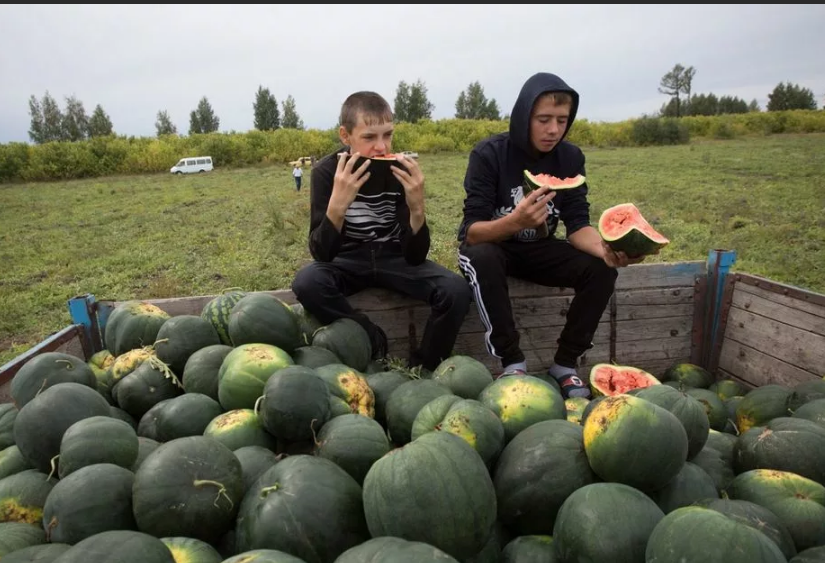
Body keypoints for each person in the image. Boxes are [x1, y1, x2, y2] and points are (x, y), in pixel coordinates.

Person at [456, 72, 650, 399]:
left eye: (562, 120)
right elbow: (472, 233)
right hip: (491, 246)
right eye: (543, 119)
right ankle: (512, 362)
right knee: (483, 257)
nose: (553, 130)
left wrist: (606, 249)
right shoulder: (489, 154)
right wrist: (516, 221)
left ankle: (565, 364)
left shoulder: (570, 158)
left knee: (601, 269)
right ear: (523, 117)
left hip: (539, 248)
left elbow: (578, 226)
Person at [291, 91, 472, 372]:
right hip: (347, 259)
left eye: (387, 135)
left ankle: (425, 368)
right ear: (345, 135)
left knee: (456, 290)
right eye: (369, 137)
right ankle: (368, 334)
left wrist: (417, 209)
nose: (381, 146)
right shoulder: (327, 172)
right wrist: (338, 204)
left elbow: (415, 256)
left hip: (393, 257)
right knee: (307, 282)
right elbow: (322, 253)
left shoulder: (399, 170)